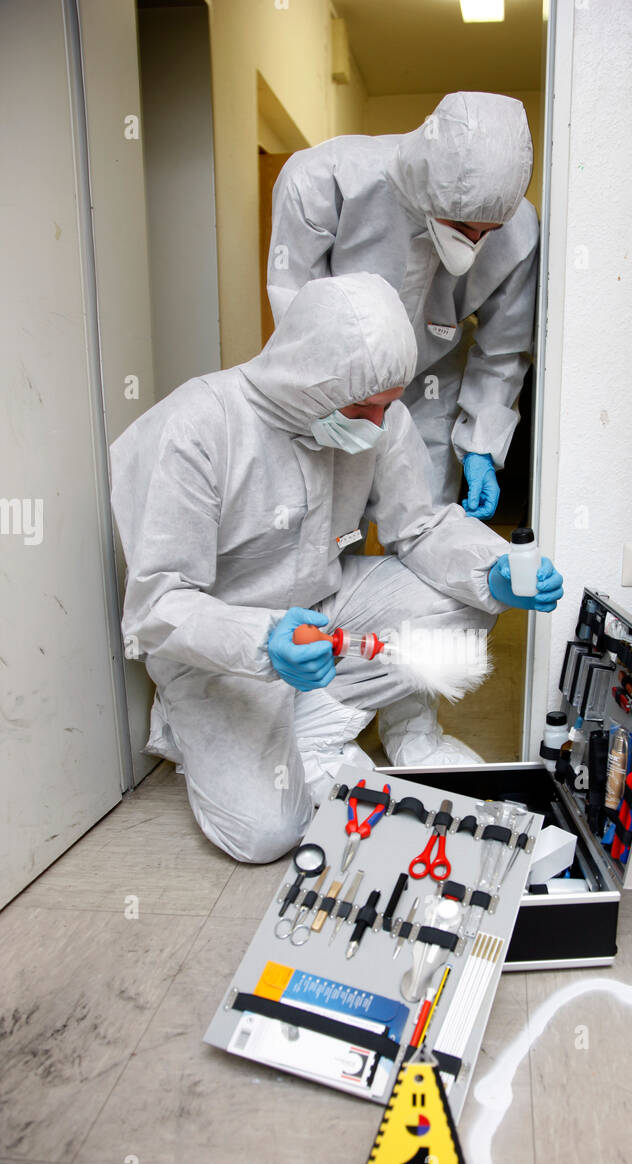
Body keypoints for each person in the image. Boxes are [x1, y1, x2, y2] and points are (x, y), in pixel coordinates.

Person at [110, 274, 563, 864]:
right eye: (362, 408)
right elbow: (159, 603)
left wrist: (494, 571)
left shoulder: (377, 411)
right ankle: (203, 723)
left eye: (389, 404)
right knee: (264, 835)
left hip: (326, 609)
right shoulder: (199, 426)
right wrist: (263, 642)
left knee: (460, 605)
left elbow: (417, 527)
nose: (378, 423)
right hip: (222, 646)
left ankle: (314, 725)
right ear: (306, 379)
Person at [267, 91, 538, 519]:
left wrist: (481, 446)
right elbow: (298, 318)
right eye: (461, 226)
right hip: (335, 388)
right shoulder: (324, 180)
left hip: (430, 387)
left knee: (423, 526)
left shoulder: (518, 230)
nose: (473, 245)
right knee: (328, 532)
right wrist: (327, 402)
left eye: (488, 231)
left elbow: (502, 348)